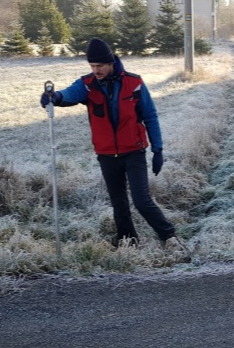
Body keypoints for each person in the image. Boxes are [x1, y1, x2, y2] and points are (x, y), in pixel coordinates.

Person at [41, 37, 180, 250]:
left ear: (111, 63)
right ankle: (128, 240)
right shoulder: (87, 85)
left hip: (133, 152)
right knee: (119, 203)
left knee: (141, 200)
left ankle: (169, 237)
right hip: (106, 154)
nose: (96, 70)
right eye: (92, 66)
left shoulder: (134, 83)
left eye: (100, 66)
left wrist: (158, 149)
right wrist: (56, 97)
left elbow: (150, 116)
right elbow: (70, 94)